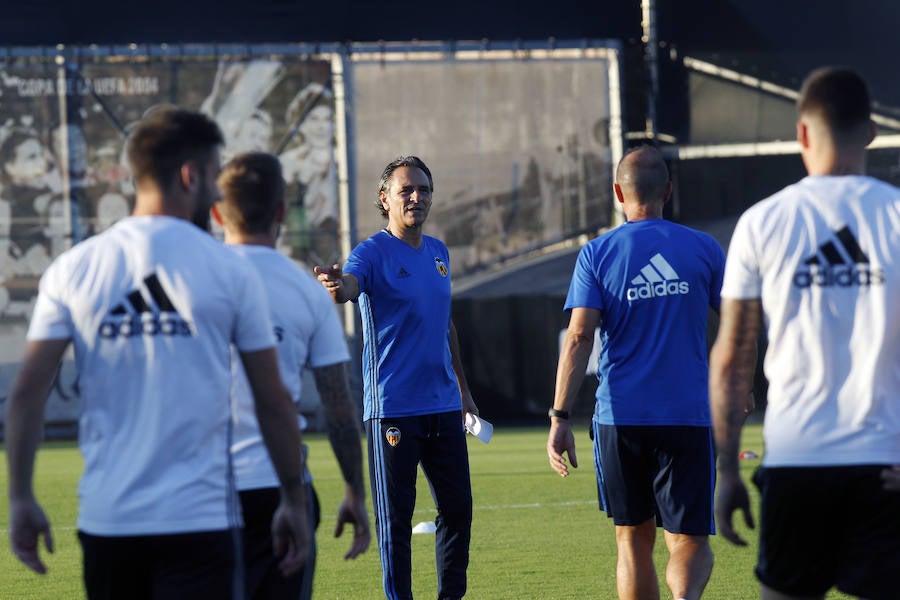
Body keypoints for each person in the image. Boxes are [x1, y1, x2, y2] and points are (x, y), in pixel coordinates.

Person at [5, 107, 310, 598]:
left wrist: (20, 496)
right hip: (202, 521)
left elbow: (26, 394)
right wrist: (293, 499)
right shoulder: (230, 272)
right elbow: (273, 401)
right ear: (190, 175)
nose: (217, 193)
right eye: (214, 176)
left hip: (108, 523)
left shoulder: (73, 268)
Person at [710, 66, 900, 600]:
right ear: (870, 132)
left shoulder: (761, 222)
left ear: (801, 133)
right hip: (886, 465)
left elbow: (731, 360)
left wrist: (727, 470)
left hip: (797, 464)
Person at [547, 145, 725, 600]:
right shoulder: (704, 248)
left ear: (616, 193)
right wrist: (739, 384)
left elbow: (579, 338)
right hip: (687, 415)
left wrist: (560, 416)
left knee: (632, 539)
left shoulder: (597, 254)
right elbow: (740, 322)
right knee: (688, 541)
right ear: (668, 190)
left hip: (620, 417)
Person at [315, 155, 478, 600]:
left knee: (458, 511)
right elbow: (349, 287)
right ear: (385, 199)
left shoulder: (439, 252)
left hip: (443, 406)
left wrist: (463, 390)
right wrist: (337, 285)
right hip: (393, 409)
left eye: (423, 189)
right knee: (396, 520)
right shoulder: (371, 253)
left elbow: (446, 324)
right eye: (406, 190)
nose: (416, 197)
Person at [212, 151, 371, 599]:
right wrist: (354, 493)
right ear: (281, 211)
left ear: (215, 209)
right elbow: (339, 406)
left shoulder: (188, 281)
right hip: (278, 492)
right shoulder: (305, 290)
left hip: (197, 494)